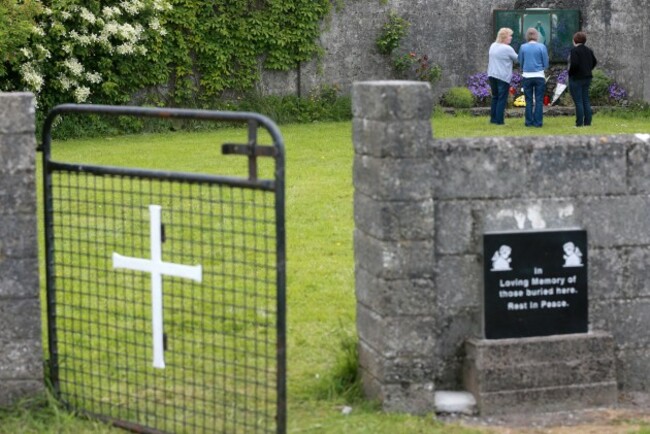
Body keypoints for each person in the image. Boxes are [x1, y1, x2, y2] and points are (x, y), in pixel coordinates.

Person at [518, 28, 549, 127]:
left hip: (527, 76)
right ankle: (538, 122)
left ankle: (528, 122)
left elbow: (520, 61)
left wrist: (524, 68)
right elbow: (546, 62)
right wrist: (542, 68)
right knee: (539, 100)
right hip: (539, 75)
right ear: (537, 36)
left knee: (529, 100)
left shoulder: (523, 47)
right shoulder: (542, 46)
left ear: (527, 36)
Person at [487, 27, 518, 125]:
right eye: (510, 36)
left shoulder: (493, 45)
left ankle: (493, 119)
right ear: (504, 37)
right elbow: (518, 59)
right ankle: (500, 121)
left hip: (492, 74)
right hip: (502, 76)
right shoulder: (507, 48)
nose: (511, 38)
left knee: (495, 97)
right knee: (502, 99)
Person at [568, 31, 598, 127]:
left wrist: (570, 73)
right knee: (585, 99)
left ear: (575, 40)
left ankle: (579, 123)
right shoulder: (589, 50)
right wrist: (588, 69)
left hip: (576, 78)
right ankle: (588, 122)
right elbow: (594, 62)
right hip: (587, 77)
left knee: (578, 101)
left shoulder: (574, 51)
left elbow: (574, 64)